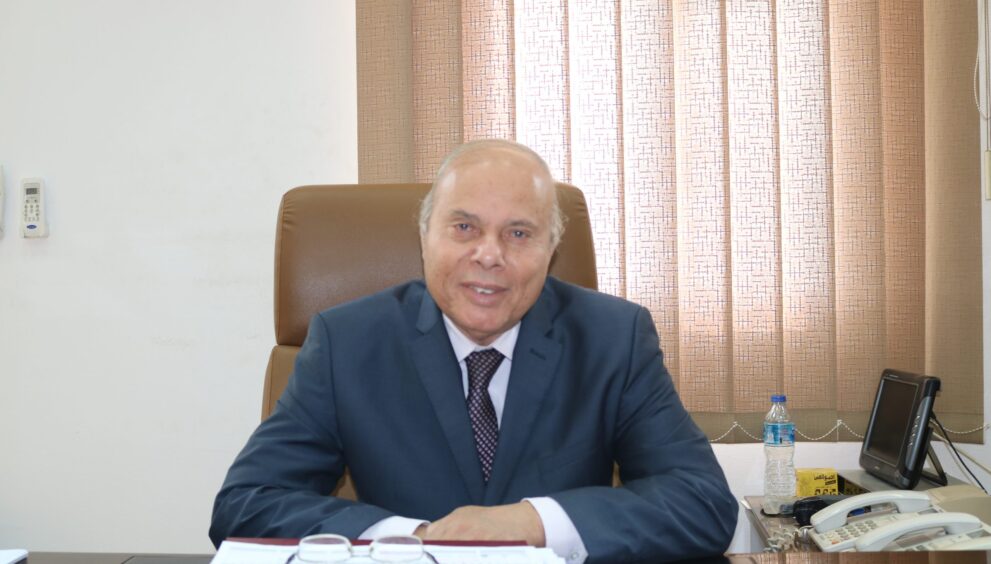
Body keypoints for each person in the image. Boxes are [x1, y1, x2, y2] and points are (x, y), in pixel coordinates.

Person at [210, 139, 738, 562]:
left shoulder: (612, 338)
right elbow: (247, 504)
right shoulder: (346, 343)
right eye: (464, 227)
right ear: (425, 235)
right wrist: (413, 541)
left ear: (551, 250)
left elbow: (702, 502)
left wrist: (531, 523)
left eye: (519, 233)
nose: (489, 255)